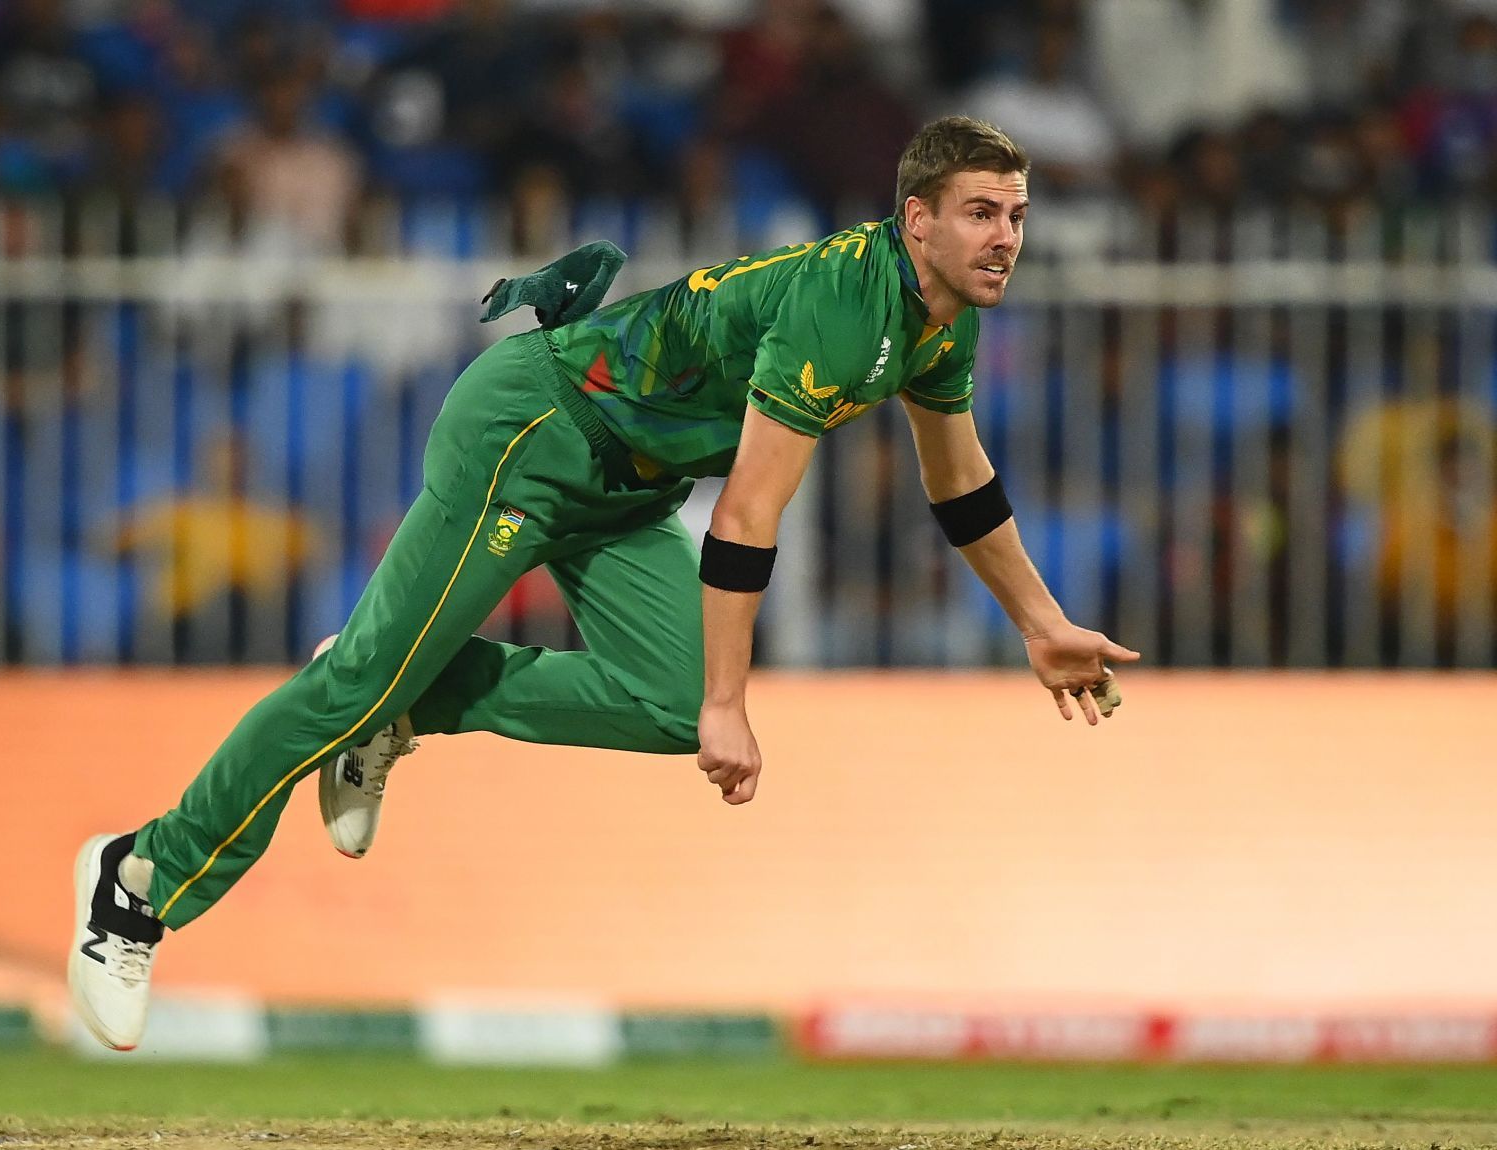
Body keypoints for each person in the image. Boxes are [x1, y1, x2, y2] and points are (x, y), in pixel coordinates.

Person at [68, 116, 1140, 1051]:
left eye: (1015, 214)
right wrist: (736, 704)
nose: (1006, 237)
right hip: (534, 435)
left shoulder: (934, 323)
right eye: (981, 213)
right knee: (365, 676)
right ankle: (138, 882)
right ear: (917, 221)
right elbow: (748, 515)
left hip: (625, 483)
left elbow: (960, 480)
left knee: (666, 705)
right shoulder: (844, 308)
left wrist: (1040, 624)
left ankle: (407, 699)